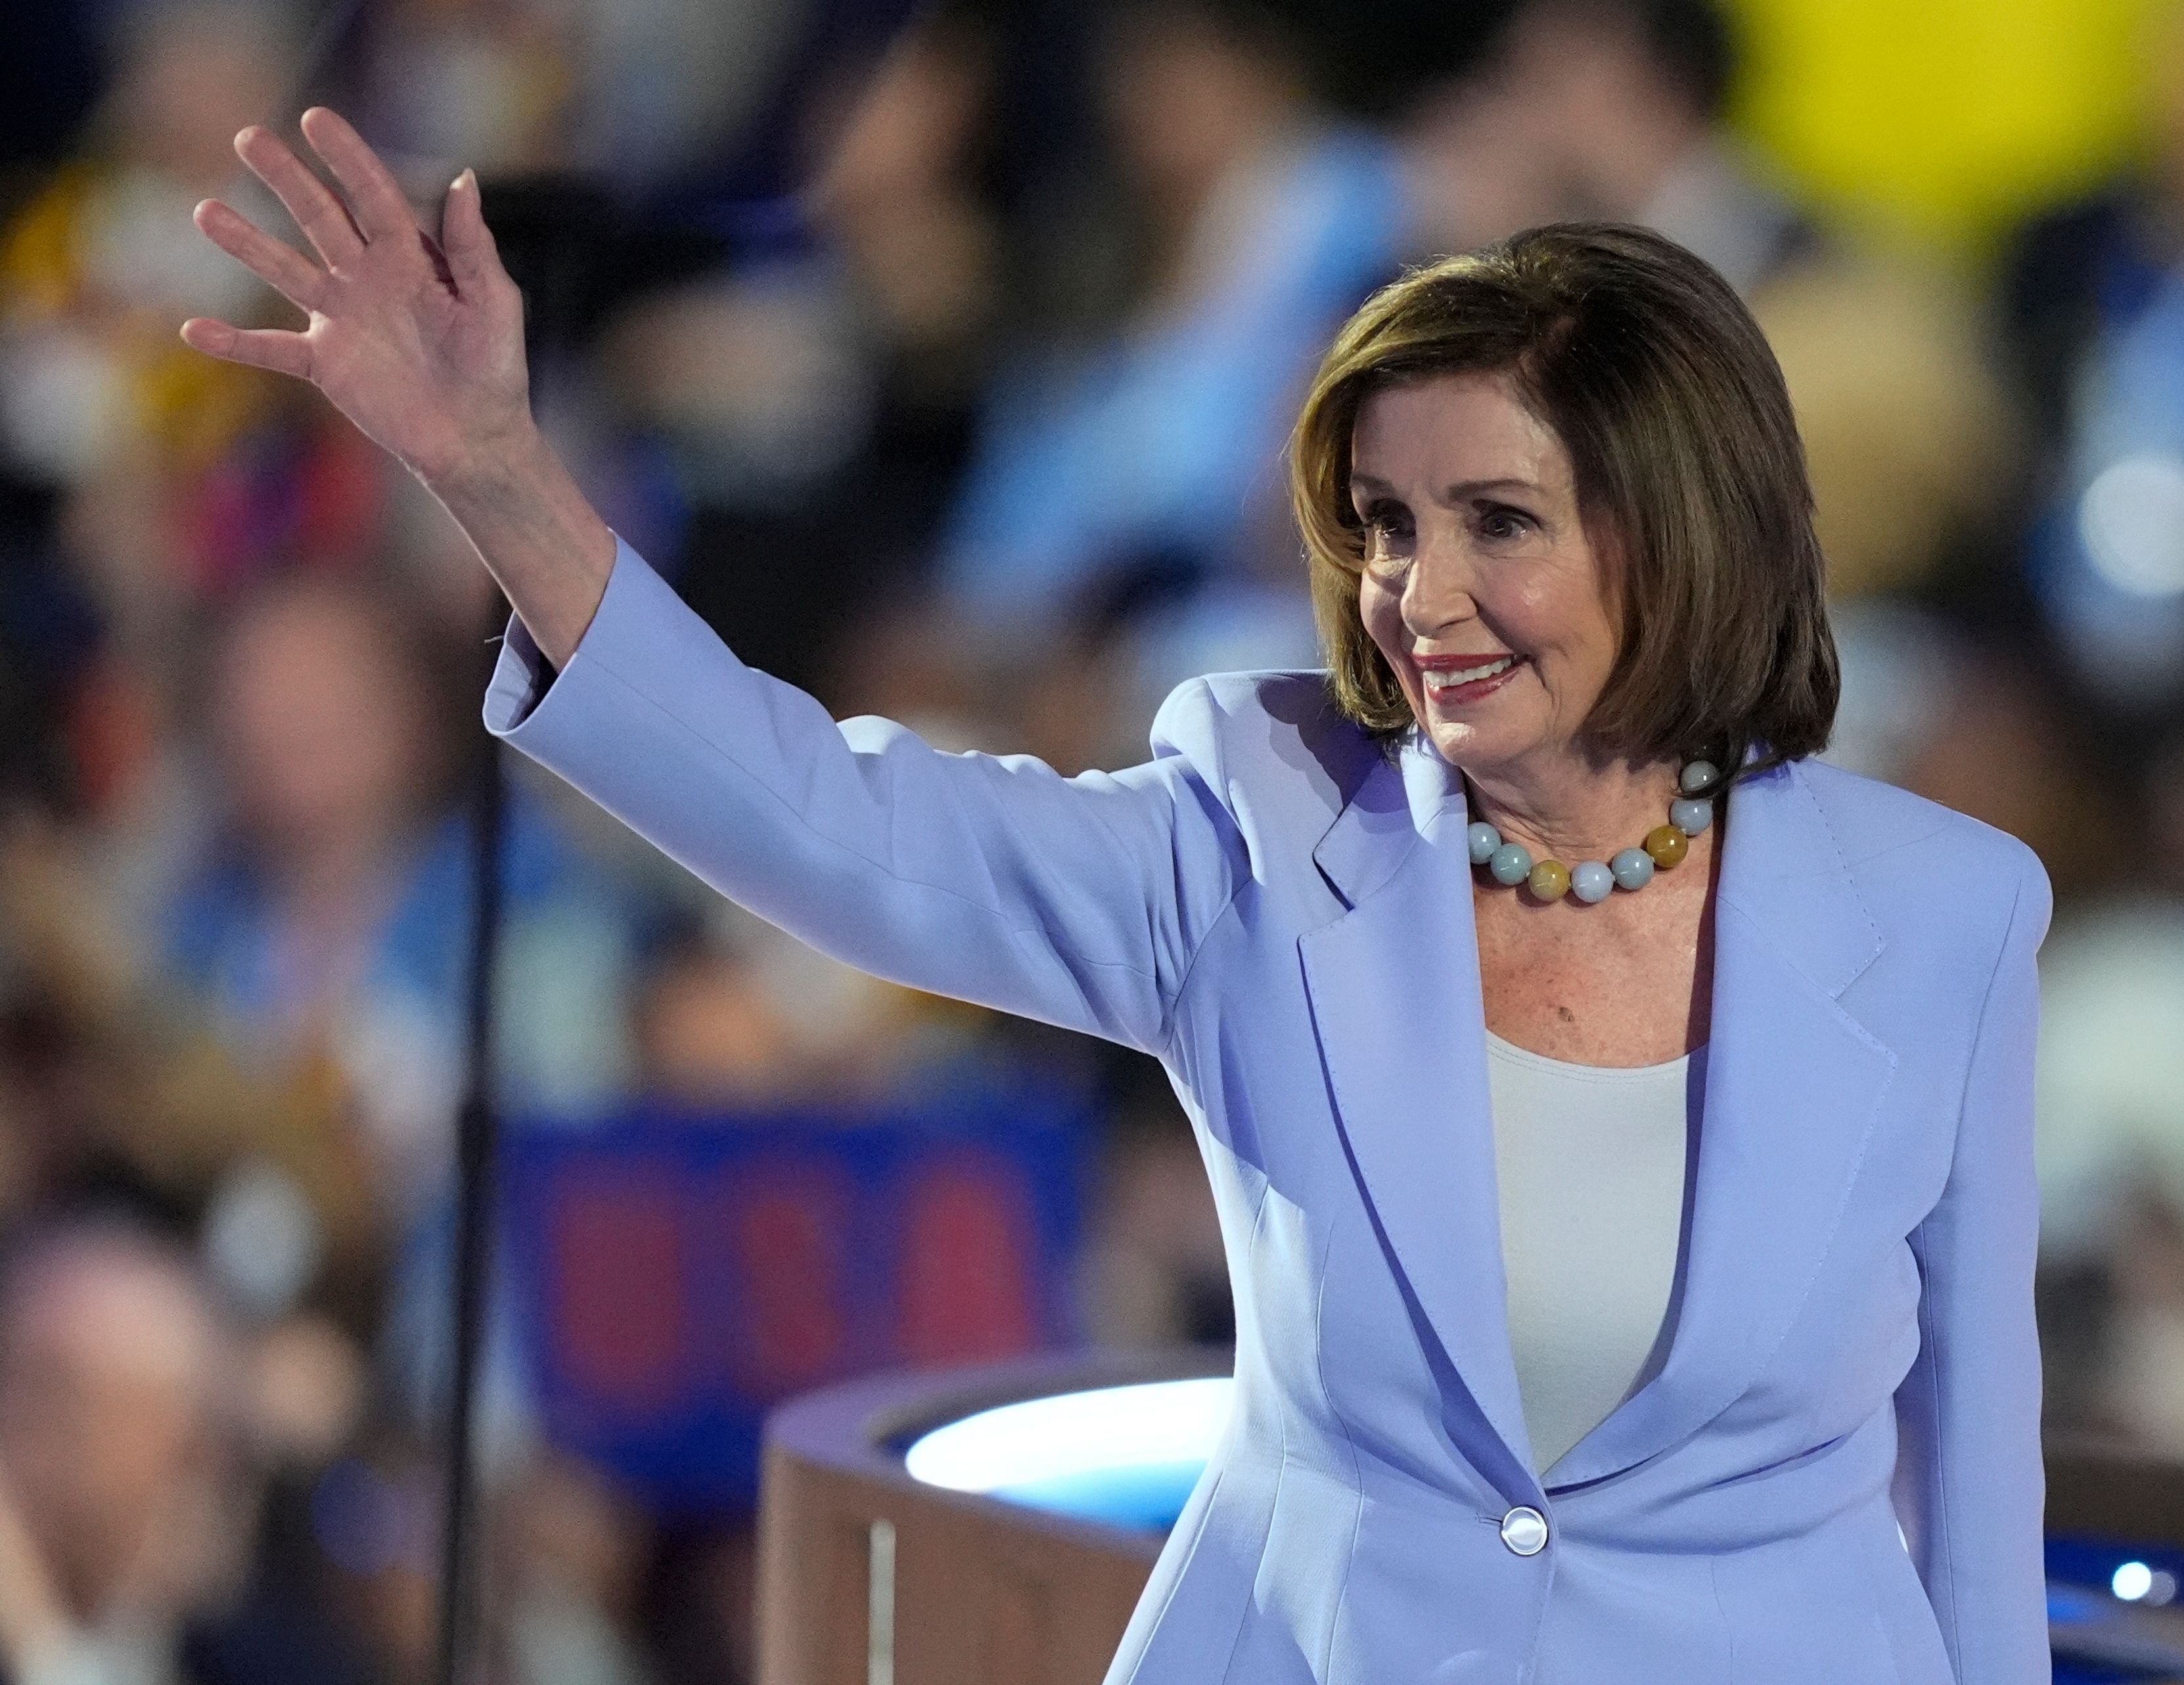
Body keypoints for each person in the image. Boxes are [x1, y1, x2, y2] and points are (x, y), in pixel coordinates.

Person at [181, 108, 2052, 1685]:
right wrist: (499, 473)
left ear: (1676, 525)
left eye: (1499, 522)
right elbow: (831, 822)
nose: (1418, 595)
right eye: (1387, 526)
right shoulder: (1255, 837)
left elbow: (1970, 1485)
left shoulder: (1947, 917)